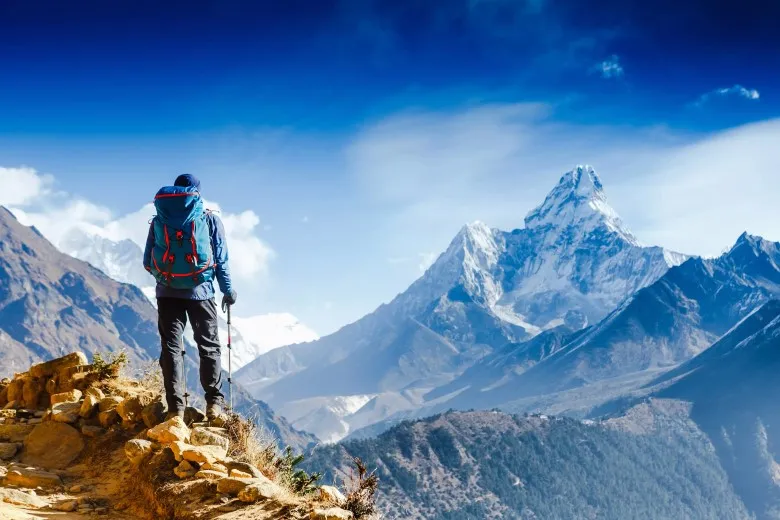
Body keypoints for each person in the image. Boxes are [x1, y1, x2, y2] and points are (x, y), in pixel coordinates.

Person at [142, 174, 237, 422]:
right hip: (201, 292)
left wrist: (167, 278)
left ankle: (175, 409)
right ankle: (214, 406)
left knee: (171, 348)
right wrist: (227, 290)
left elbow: (146, 261)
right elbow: (221, 261)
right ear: (197, 192)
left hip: (167, 293)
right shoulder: (209, 219)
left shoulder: (158, 220)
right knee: (209, 347)